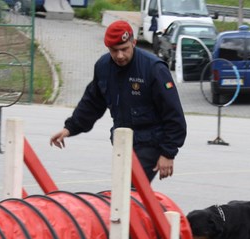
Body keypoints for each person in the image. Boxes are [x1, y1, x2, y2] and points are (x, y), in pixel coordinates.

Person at [50, 20, 187, 182]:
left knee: (128, 191)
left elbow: (174, 114)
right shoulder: (103, 67)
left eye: (124, 49)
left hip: (150, 143)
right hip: (122, 142)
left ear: (134, 43)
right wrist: (70, 128)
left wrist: (167, 153)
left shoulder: (153, 69)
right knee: (122, 192)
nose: (120, 55)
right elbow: (92, 103)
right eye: (114, 51)